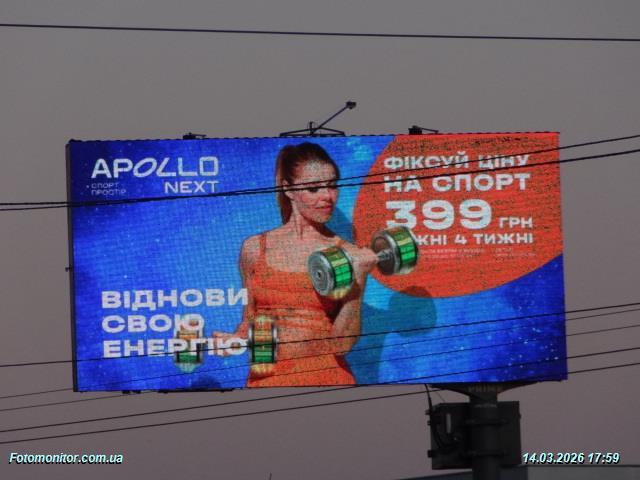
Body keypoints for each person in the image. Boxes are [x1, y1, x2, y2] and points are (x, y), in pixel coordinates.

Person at [215, 142, 378, 387]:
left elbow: (342, 345)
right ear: (288, 189)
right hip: (266, 380)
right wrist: (234, 340)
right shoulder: (254, 248)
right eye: (313, 188)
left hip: (325, 380)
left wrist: (359, 279)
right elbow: (251, 318)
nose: (328, 196)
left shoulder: (347, 254)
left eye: (332, 185)